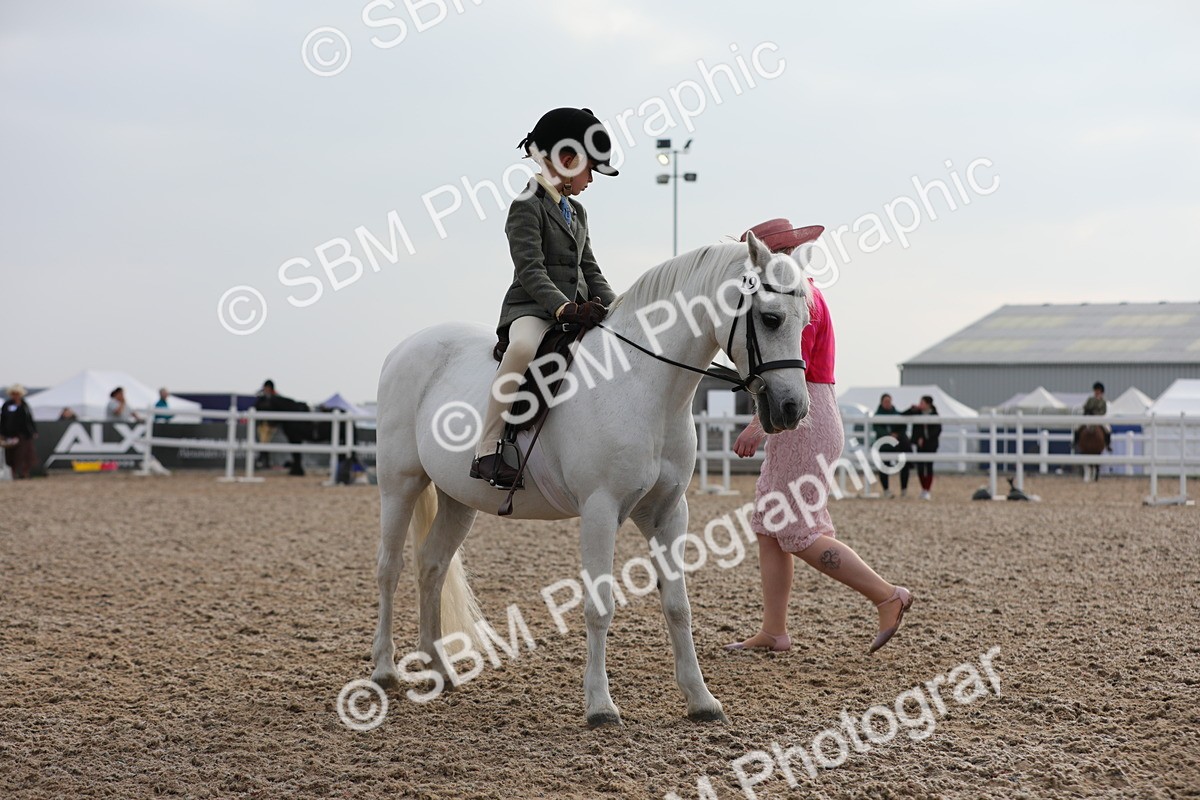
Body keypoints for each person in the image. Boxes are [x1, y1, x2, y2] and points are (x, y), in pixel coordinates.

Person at [726, 219, 913, 654]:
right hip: (815, 411)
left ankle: (887, 595)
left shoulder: (795, 300)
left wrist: (757, 425)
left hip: (804, 416)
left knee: (799, 532)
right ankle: (774, 632)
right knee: (770, 527)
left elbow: (791, 368)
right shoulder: (804, 292)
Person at [470, 107, 620, 488]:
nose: (590, 180)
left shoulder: (578, 211)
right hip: (534, 309)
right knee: (522, 349)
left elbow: (590, 268)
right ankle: (487, 449)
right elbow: (530, 270)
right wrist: (564, 307)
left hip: (578, 311)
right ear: (568, 161)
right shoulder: (527, 205)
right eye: (589, 170)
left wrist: (618, 308)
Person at [872, 393, 911, 498]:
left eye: (889, 401)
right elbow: (877, 429)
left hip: (897, 444)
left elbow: (903, 426)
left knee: (904, 465)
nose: (888, 403)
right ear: (881, 402)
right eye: (886, 401)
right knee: (884, 466)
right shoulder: (877, 416)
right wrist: (889, 435)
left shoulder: (896, 414)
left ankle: (904, 489)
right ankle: (886, 490)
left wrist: (896, 434)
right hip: (884, 445)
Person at [906, 395, 941, 500]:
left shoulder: (935, 415)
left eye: (922, 403)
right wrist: (912, 408)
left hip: (931, 444)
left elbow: (937, 431)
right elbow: (904, 415)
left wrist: (925, 439)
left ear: (928, 404)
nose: (920, 404)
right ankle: (923, 489)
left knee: (929, 466)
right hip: (920, 444)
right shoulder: (917, 413)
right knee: (920, 467)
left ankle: (927, 489)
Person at [2, 384, 38, 479]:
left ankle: (24, 472)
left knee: (26, 454)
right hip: (10, 434)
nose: (16, 395)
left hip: (25, 434)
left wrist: (34, 430)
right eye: (14, 393)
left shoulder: (25, 405)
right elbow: (4, 420)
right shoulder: (7, 405)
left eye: (17, 393)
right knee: (11, 455)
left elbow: (29, 419)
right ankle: (14, 473)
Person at [1079, 381, 1111, 451]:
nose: (1097, 392)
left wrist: (1096, 414)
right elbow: (1085, 407)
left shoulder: (1103, 401)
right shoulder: (1090, 399)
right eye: (1096, 390)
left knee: (1108, 429)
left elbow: (1104, 411)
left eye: (1098, 391)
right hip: (1089, 417)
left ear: (1101, 392)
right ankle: (1075, 442)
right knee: (1077, 426)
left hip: (1099, 418)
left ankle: (1108, 444)